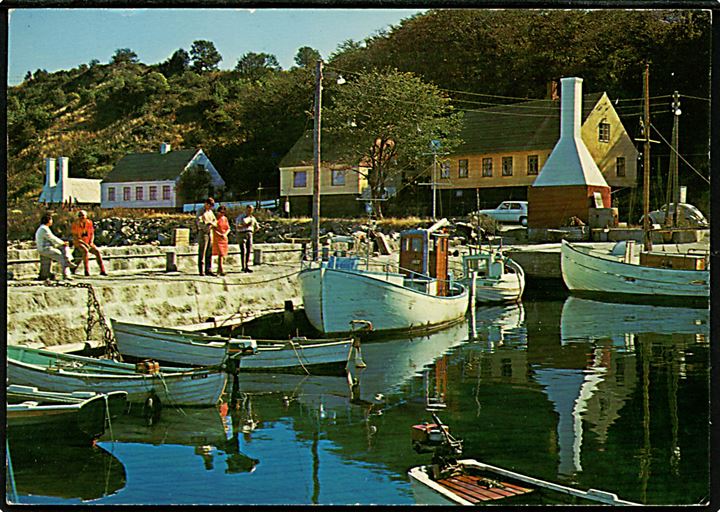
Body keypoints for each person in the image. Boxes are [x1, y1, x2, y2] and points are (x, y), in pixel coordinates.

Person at [35, 212, 77, 280]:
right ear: (48, 220)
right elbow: (52, 238)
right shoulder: (44, 229)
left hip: (43, 248)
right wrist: (62, 243)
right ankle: (67, 274)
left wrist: (60, 244)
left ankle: (44, 275)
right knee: (62, 257)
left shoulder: (42, 228)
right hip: (45, 249)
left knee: (46, 264)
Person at [71, 210, 107, 276]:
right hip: (79, 243)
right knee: (85, 251)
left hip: (88, 242)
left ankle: (102, 270)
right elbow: (75, 237)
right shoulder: (75, 224)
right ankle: (86, 271)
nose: (81, 217)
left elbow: (92, 233)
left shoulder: (89, 223)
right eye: (80, 216)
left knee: (97, 252)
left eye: (82, 215)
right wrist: (85, 244)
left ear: (86, 216)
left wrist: (91, 242)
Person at [196, 197, 217, 276]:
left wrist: (212, 224)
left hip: (210, 232)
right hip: (203, 233)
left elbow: (215, 221)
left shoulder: (210, 212)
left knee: (209, 251)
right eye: (209, 205)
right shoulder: (201, 211)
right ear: (206, 204)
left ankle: (208, 269)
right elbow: (199, 222)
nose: (210, 207)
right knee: (202, 251)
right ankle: (201, 270)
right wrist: (206, 226)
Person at [235, 205, 259, 273]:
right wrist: (245, 226)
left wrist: (252, 231)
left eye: (251, 210)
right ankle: (243, 266)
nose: (249, 211)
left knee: (249, 250)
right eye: (248, 210)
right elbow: (237, 227)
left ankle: (247, 265)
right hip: (242, 233)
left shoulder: (253, 218)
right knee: (243, 250)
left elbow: (257, 227)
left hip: (249, 233)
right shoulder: (240, 217)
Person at [212, 205, 231, 276]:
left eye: (223, 212)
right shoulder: (216, 219)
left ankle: (220, 269)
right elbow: (213, 228)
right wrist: (220, 234)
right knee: (219, 253)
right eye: (221, 212)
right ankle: (220, 269)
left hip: (224, 237)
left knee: (222, 254)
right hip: (217, 237)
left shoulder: (225, 219)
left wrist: (225, 234)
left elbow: (228, 228)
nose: (222, 214)